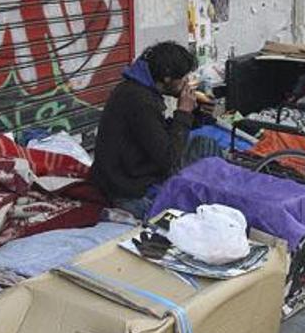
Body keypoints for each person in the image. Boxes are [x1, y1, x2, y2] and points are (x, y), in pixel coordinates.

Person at [92, 41, 219, 219]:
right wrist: (183, 112)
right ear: (167, 77)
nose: (186, 83)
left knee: (204, 144)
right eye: (182, 78)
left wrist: (196, 114)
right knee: (192, 215)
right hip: (128, 189)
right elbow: (168, 158)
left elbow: (158, 133)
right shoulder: (139, 100)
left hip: (134, 169)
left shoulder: (137, 89)